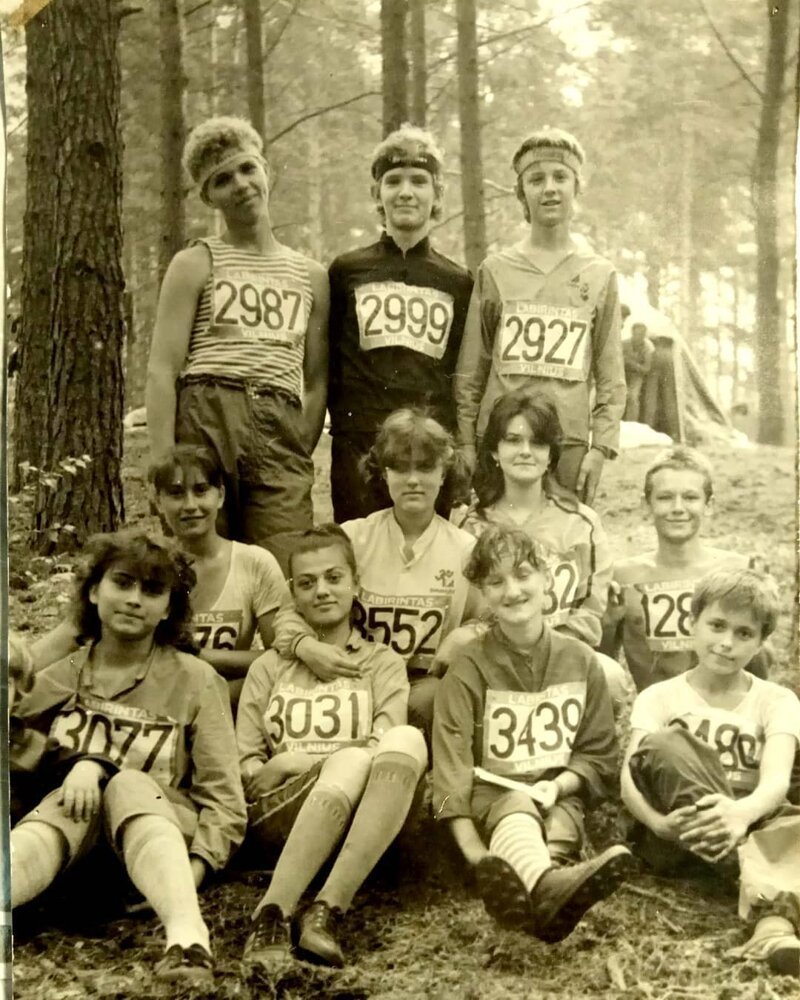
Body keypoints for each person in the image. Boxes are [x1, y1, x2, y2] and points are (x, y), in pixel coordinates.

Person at [9, 530, 246, 985]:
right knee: (74, 792)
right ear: (94, 591)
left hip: (160, 862)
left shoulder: (196, 681)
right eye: (122, 583)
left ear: (169, 609)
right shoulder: (56, 679)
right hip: (69, 855)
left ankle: (188, 940)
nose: (135, 599)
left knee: (128, 783)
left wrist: (196, 869)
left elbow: (225, 803)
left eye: (153, 590)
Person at [236, 525, 427, 972]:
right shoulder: (269, 667)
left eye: (334, 578)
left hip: (364, 818)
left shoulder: (381, 662)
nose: (322, 591)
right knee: (356, 755)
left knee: (407, 738)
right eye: (307, 583)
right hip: (282, 818)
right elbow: (247, 765)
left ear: (355, 583)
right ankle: (273, 912)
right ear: (292, 593)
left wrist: (297, 759)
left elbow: (386, 744)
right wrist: (283, 767)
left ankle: (326, 910)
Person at [432, 525, 635, 942]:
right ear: (484, 594)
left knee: (561, 823)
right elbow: (451, 771)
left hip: (557, 798)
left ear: (547, 580)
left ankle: (540, 889)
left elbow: (598, 755)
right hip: (492, 807)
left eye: (523, 575)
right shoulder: (468, 667)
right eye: (496, 581)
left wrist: (559, 786)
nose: (512, 590)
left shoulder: (580, 660)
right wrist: (474, 854)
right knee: (517, 807)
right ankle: (547, 885)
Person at [146, 116, 329, 571]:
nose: (241, 185)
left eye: (248, 169)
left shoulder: (311, 276)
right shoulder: (195, 262)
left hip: (279, 424)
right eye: (222, 180)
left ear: (265, 169)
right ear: (209, 196)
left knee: (285, 561)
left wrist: (298, 440)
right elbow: (162, 368)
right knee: (200, 562)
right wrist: (162, 459)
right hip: (207, 415)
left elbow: (316, 375)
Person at [621, 568, 800, 977]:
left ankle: (773, 928)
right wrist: (658, 823)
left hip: (752, 824)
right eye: (717, 625)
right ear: (692, 622)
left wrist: (741, 815)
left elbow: (775, 782)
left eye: (743, 634)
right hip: (680, 832)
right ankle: (771, 893)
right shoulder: (661, 696)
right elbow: (630, 775)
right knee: (664, 745)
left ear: (760, 643)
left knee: (786, 818)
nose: (726, 643)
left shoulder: (776, 699)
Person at [25, 446, 290, 708]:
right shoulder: (145, 562)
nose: (190, 505)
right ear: (157, 500)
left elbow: (281, 656)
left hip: (220, 702)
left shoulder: (255, 563)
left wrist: (203, 660)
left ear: (219, 496)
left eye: (200, 490)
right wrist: (13, 672)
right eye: (175, 493)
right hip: (135, 706)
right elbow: (69, 636)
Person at [273, 409, 483, 738]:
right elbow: (289, 610)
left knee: (425, 703)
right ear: (384, 474)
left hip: (420, 687)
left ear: (444, 474)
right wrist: (304, 646)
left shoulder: (466, 548)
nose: (413, 479)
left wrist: (465, 634)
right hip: (351, 675)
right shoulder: (354, 537)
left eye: (425, 467)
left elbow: (489, 619)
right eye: (400, 467)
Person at [454, 127, 625, 506]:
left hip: (568, 443)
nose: (549, 188)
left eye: (560, 177)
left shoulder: (600, 274)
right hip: (502, 442)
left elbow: (611, 376)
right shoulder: (495, 270)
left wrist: (601, 448)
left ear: (576, 189)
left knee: (564, 551)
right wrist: (467, 441)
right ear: (522, 194)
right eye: (536, 179)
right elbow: (470, 370)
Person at [447, 388, 630, 712]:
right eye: (513, 440)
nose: (525, 451)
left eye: (537, 442)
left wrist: (540, 647)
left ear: (550, 455)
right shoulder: (469, 525)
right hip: (490, 659)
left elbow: (589, 615)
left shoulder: (581, 523)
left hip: (560, 656)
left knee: (611, 677)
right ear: (493, 451)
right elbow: (461, 613)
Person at [327, 124, 473, 521]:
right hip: (361, 446)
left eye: (418, 181)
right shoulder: (347, 270)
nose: (405, 191)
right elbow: (328, 364)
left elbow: (461, 371)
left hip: (428, 448)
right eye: (393, 181)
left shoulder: (458, 281)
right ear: (378, 194)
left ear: (437, 194)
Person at [601, 446, 771, 691]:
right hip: (659, 716)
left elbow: (761, 663)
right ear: (646, 505)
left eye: (690, 497)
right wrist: (608, 623)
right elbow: (603, 664)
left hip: (728, 714)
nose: (678, 508)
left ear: (708, 505)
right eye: (665, 497)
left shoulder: (736, 571)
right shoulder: (624, 576)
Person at [622, 322, 654, 422]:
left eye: (642, 335)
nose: (639, 338)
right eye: (637, 334)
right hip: (623, 373)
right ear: (632, 333)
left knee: (633, 397)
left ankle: (631, 422)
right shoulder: (624, 344)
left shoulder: (648, 348)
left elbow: (647, 368)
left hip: (637, 375)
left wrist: (632, 364)